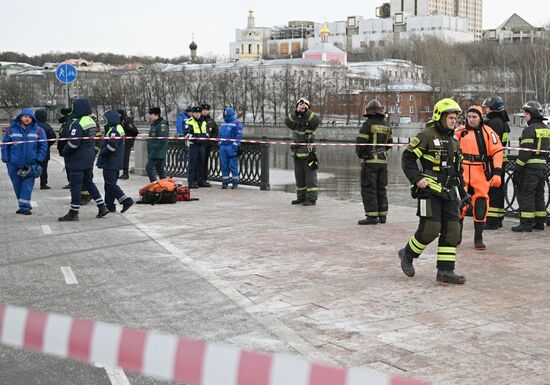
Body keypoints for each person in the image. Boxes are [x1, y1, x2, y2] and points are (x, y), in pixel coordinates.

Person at [398, 98, 468, 284]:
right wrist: (417, 179)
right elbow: (408, 158)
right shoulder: (426, 136)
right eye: (451, 117)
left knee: (453, 230)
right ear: (439, 116)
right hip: (429, 191)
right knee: (430, 229)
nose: (454, 121)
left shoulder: (455, 142)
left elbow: (457, 172)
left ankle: (445, 271)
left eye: (456, 118)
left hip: (450, 193)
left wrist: (464, 193)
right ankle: (407, 254)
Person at [456, 106, 503, 249]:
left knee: (481, 203)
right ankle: (457, 236)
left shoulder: (489, 133)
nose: (471, 119)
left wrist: (497, 173)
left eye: (474, 117)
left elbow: (497, 152)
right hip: (463, 171)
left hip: (480, 172)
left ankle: (478, 238)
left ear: (480, 118)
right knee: (460, 205)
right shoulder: (460, 132)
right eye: (469, 117)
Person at [58, 99, 109, 221]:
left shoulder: (77, 123)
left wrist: (65, 152)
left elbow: (73, 144)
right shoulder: (90, 121)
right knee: (89, 183)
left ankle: (73, 212)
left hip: (77, 159)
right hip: (88, 158)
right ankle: (102, 206)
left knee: (75, 186)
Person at [512, 101, 550, 232]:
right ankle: (540, 222)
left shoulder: (529, 129)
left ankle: (526, 223)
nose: (524, 116)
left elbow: (524, 152)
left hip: (530, 168)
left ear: (531, 114)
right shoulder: (546, 129)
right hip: (542, 167)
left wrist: (517, 168)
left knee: (526, 193)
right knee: (539, 194)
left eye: (525, 113)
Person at [1, 108, 47, 215]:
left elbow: (43, 146)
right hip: (14, 164)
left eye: (30, 117)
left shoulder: (39, 131)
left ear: (33, 119)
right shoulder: (11, 130)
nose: (27, 119)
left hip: (31, 165)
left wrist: (39, 160)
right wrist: (5, 158)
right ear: (21, 117)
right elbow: (5, 145)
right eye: (25, 116)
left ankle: (24, 207)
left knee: (27, 186)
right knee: (17, 186)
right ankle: (22, 205)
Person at [356, 99, 393, 225]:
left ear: (369, 112)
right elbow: (389, 144)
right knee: (381, 188)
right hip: (383, 162)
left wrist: (361, 154)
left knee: (369, 188)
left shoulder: (367, 125)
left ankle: (372, 216)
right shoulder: (387, 126)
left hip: (370, 162)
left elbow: (361, 144)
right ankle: (382, 216)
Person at [285, 98, 321, 206]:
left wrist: (305, 110)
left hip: (308, 153)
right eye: (300, 105)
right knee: (299, 177)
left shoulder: (310, 119)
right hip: (297, 152)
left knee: (310, 177)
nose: (301, 107)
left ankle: (311, 198)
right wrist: (297, 112)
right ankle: (301, 197)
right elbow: (287, 121)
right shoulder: (295, 120)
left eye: (304, 105)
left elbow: (316, 121)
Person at [482, 96, 511, 230]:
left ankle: (492, 220)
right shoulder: (504, 123)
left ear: (493, 109)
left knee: (492, 190)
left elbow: (487, 143)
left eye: (487, 108)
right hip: (501, 160)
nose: (485, 111)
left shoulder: (493, 123)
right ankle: (498, 217)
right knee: (498, 190)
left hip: (493, 161)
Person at [97, 110, 134, 213]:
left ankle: (125, 200)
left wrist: (102, 153)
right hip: (114, 161)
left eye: (106, 120)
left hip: (111, 161)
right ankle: (110, 205)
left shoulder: (114, 130)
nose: (105, 122)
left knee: (110, 185)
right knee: (109, 184)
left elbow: (112, 146)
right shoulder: (116, 128)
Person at [184, 106, 210, 188]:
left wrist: (199, 137)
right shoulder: (189, 122)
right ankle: (191, 182)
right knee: (192, 164)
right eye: (196, 113)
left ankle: (200, 181)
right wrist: (200, 137)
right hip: (193, 145)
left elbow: (207, 134)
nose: (198, 114)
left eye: (199, 113)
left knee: (201, 163)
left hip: (201, 145)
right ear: (193, 113)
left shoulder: (204, 122)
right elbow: (188, 134)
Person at [219, 107, 243, 189]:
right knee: (224, 165)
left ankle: (235, 182)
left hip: (231, 147)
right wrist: (220, 143)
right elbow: (220, 134)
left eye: (225, 112)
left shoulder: (237, 123)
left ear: (229, 113)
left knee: (233, 165)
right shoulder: (223, 123)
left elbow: (239, 135)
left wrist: (235, 145)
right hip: (223, 147)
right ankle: (225, 182)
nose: (224, 113)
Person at [34, 109, 57, 190]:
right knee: (44, 168)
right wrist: (47, 145)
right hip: (44, 151)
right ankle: (43, 184)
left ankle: (28, 182)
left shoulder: (32, 126)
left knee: (30, 167)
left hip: (32, 151)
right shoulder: (47, 127)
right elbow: (53, 138)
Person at [146, 107, 169, 182]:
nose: (150, 116)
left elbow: (162, 139)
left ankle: (155, 184)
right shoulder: (154, 124)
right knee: (160, 170)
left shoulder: (162, 125)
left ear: (156, 115)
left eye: (151, 115)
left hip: (157, 152)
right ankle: (166, 187)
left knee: (149, 167)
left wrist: (154, 148)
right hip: (155, 152)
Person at [117, 109, 139, 180]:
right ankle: (124, 173)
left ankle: (125, 174)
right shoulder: (122, 121)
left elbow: (135, 131)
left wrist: (130, 139)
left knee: (125, 158)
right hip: (124, 142)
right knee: (123, 157)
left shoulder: (127, 121)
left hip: (127, 142)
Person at [200, 103, 219, 181]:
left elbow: (216, 130)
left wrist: (212, 141)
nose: (205, 111)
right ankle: (197, 179)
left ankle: (204, 179)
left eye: (207, 110)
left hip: (207, 145)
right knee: (198, 162)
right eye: (203, 110)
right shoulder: (198, 119)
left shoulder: (211, 120)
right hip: (199, 145)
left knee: (205, 162)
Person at [57, 107, 73, 189]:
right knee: (68, 166)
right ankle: (71, 181)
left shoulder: (68, 123)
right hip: (66, 148)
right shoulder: (67, 122)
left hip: (68, 149)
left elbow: (64, 136)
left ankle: (71, 182)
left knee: (69, 166)